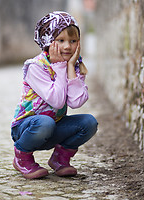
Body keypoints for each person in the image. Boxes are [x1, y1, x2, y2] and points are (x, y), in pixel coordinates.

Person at [11, 11, 98, 179]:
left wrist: (71, 68)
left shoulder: (74, 66)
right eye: (61, 41)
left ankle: (60, 159)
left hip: (52, 127)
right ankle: (22, 157)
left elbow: (76, 101)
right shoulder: (35, 67)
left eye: (73, 41)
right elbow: (57, 102)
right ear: (48, 41)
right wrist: (59, 68)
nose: (67, 46)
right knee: (45, 122)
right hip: (27, 128)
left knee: (88, 123)